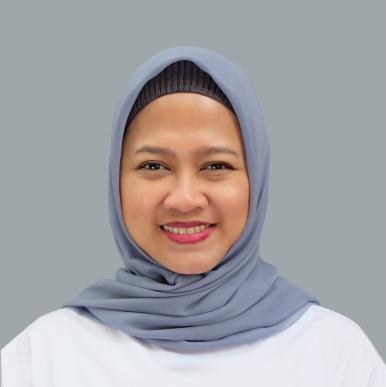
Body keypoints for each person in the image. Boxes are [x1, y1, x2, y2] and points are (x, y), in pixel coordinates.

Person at [1, 46, 385, 386]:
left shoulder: (335, 354)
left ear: (257, 178)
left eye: (216, 165)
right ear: (115, 180)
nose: (184, 199)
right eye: (153, 166)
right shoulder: (45, 355)